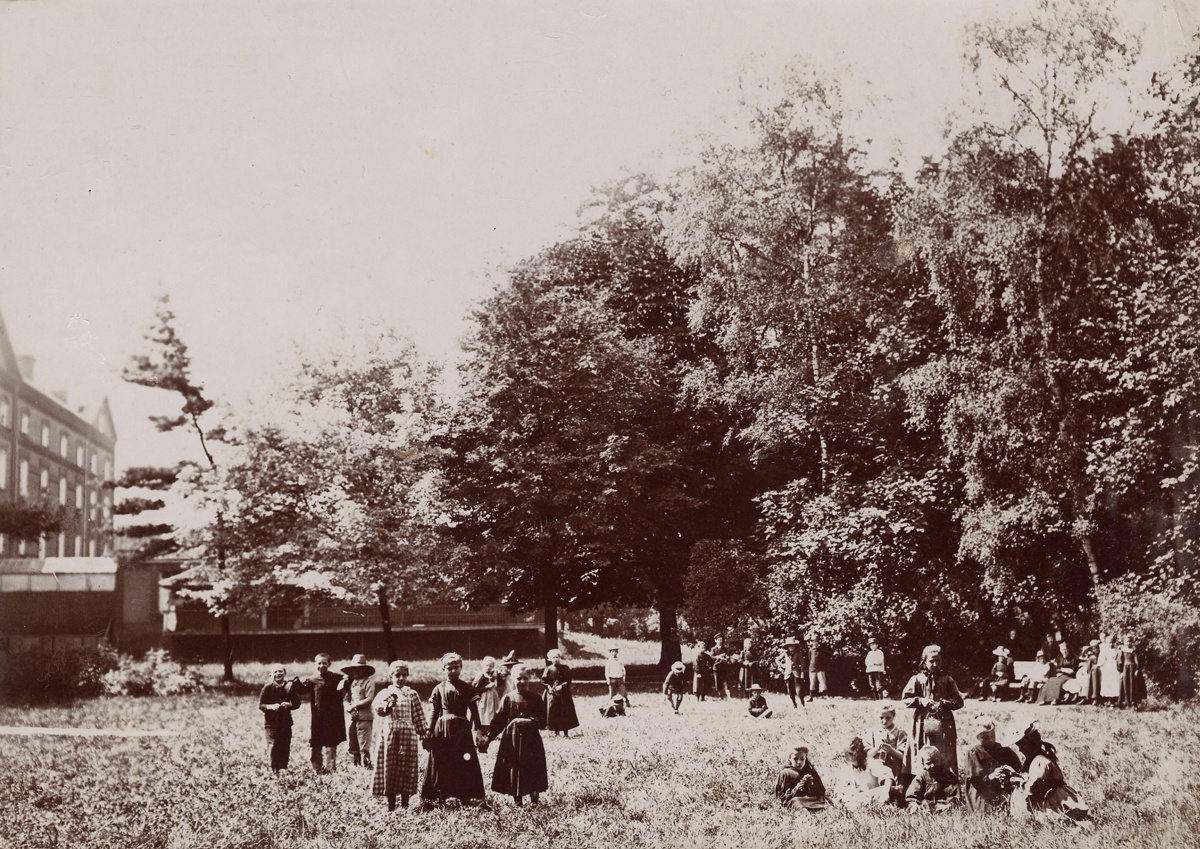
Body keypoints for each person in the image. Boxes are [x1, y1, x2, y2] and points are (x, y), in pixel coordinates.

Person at [421, 652, 485, 804]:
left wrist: (479, 730)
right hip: (442, 729)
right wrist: (429, 731)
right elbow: (434, 712)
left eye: (456, 667)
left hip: (461, 729)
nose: (453, 671)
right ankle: (441, 794)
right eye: (449, 668)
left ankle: (465, 795)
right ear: (444, 669)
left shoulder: (467, 688)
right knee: (443, 760)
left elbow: (474, 711)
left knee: (463, 759)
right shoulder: (439, 688)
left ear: (461, 667)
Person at [487, 663, 549, 807]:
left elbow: (543, 722)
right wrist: (488, 739)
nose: (522, 682)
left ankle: (535, 801)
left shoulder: (536, 698)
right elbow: (499, 722)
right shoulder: (508, 698)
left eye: (525, 678)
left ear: (530, 679)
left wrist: (528, 722)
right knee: (515, 768)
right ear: (512, 679)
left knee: (532, 768)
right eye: (518, 678)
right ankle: (518, 802)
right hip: (512, 740)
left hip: (531, 741)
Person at [372, 660, 429, 811]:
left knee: (405, 767)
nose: (401, 678)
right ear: (391, 676)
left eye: (404, 675)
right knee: (391, 766)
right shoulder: (385, 693)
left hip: (408, 735)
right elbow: (378, 709)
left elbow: (418, 716)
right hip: (391, 733)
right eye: (397, 675)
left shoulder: (412, 694)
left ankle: (405, 804)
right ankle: (391, 805)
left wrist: (423, 734)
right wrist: (388, 706)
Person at [901, 644, 964, 777]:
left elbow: (959, 701)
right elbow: (906, 699)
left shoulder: (947, 680)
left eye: (938, 661)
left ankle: (945, 781)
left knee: (943, 749)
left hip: (944, 721)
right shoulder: (917, 679)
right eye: (931, 661)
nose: (935, 664)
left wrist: (946, 703)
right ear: (924, 662)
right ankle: (919, 778)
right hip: (922, 721)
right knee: (921, 746)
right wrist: (921, 701)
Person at [1010, 723, 1088, 821]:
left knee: (1064, 822)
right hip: (1051, 797)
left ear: (1030, 745)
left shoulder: (1039, 761)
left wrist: (1019, 782)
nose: (1020, 750)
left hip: (1055, 801)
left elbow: (1034, 788)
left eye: (1021, 746)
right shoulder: (1036, 759)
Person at [292, 653, 348, 774]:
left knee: (331, 742)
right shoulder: (312, 680)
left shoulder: (336, 678)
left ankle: (330, 768)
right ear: (315, 665)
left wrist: (346, 681)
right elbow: (301, 690)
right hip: (318, 716)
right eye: (319, 663)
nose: (322, 665)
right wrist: (295, 682)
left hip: (333, 716)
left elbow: (347, 683)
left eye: (324, 663)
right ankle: (317, 767)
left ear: (329, 664)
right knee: (316, 741)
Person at [964, 715, 1021, 812]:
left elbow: (1018, 767)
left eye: (992, 736)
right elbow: (976, 781)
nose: (990, 740)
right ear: (977, 737)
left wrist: (1010, 773)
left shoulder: (1002, 749)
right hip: (982, 794)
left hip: (1001, 791)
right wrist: (992, 776)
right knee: (987, 813)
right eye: (985, 737)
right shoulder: (974, 752)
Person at [258, 664, 300, 772]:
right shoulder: (267, 687)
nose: (278, 674)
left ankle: (283, 768)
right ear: (271, 674)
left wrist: (289, 705)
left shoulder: (289, 687)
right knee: (273, 745)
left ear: (285, 673)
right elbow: (261, 705)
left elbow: (297, 703)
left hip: (285, 722)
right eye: (275, 672)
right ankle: (273, 769)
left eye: (280, 671)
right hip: (271, 723)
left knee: (285, 745)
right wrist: (271, 707)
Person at [340, 654, 377, 769]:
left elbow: (369, 699)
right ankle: (355, 765)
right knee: (352, 741)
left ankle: (366, 765)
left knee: (364, 741)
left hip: (364, 716)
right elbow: (346, 698)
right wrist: (348, 707)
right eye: (353, 669)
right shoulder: (350, 683)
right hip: (351, 716)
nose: (356, 671)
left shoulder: (368, 682)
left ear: (365, 670)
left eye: (359, 669)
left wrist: (355, 706)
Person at [833, 737, 890, 808]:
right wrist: (840, 794)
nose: (843, 756)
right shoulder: (847, 767)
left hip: (872, 795)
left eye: (845, 754)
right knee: (849, 797)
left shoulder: (870, 763)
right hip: (858, 795)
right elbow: (840, 785)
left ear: (854, 754)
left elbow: (888, 774)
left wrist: (886, 792)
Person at [905, 745, 961, 812]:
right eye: (928, 763)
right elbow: (911, 795)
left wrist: (950, 804)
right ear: (923, 764)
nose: (933, 765)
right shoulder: (921, 776)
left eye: (935, 761)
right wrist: (914, 804)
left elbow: (954, 795)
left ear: (940, 760)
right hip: (925, 806)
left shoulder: (948, 776)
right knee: (915, 809)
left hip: (943, 805)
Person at [774, 744, 827, 811]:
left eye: (802, 759)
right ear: (789, 759)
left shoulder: (811, 772)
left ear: (806, 758)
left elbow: (821, 792)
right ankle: (806, 814)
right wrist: (796, 789)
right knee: (797, 802)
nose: (799, 762)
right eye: (795, 759)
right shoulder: (785, 773)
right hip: (797, 801)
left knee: (826, 799)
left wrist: (811, 785)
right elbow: (781, 798)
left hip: (810, 800)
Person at [865, 703, 907, 787]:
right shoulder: (872, 732)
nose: (884, 721)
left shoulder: (900, 733)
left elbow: (903, 756)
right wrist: (877, 748)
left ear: (893, 716)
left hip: (894, 766)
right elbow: (868, 754)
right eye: (881, 718)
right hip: (876, 765)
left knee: (890, 775)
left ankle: (890, 790)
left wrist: (891, 750)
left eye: (888, 718)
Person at [543, 649, 580, 736]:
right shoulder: (548, 669)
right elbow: (544, 680)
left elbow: (568, 680)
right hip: (553, 694)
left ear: (560, 658)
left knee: (564, 711)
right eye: (553, 657)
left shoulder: (565, 668)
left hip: (564, 694)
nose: (555, 659)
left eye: (557, 657)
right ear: (550, 659)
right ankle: (556, 731)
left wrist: (561, 686)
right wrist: (549, 687)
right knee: (554, 711)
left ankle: (566, 732)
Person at [473, 656, 503, 747]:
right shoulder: (481, 675)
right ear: (483, 665)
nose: (489, 667)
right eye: (487, 665)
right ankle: (482, 731)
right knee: (484, 713)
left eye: (491, 666)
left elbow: (500, 683)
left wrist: (500, 676)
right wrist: (486, 687)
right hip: (484, 697)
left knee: (493, 712)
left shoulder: (493, 674)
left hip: (493, 696)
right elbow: (474, 688)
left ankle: (491, 731)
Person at [1117, 634, 1143, 708]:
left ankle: (1134, 703)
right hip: (1125, 669)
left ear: (1132, 642)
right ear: (1124, 642)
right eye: (1127, 642)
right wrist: (1121, 671)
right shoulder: (1122, 650)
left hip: (1133, 669)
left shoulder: (1134, 651)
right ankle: (1125, 702)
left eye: (1130, 642)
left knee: (1134, 685)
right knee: (1125, 685)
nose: (1128, 643)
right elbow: (1120, 661)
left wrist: (1137, 669)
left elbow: (1136, 660)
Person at [780, 637, 806, 708]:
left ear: (795, 646)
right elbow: (777, 660)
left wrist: (802, 673)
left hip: (796, 674)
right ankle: (794, 704)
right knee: (790, 691)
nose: (791, 647)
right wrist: (782, 666)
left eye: (792, 645)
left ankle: (802, 702)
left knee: (799, 690)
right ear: (787, 647)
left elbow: (803, 664)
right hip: (788, 674)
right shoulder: (785, 653)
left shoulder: (798, 653)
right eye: (789, 645)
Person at [1098, 633, 1121, 705]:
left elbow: (1118, 658)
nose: (1111, 644)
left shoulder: (1116, 650)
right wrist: (1101, 667)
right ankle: (1108, 700)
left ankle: (1114, 700)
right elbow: (1101, 660)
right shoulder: (1104, 650)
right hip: (1107, 667)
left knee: (1114, 683)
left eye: (1112, 642)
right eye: (1109, 643)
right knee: (1108, 684)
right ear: (1106, 643)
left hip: (1114, 667)